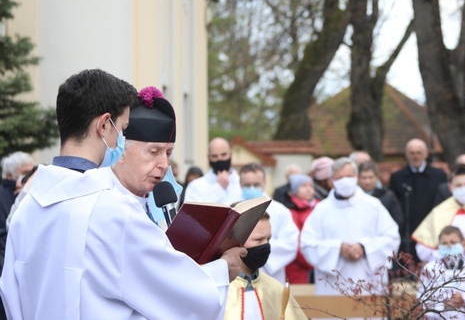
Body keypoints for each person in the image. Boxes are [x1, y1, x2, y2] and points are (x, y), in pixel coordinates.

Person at [1, 74, 247, 319]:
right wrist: (223, 270)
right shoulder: (114, 212)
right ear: (105, 125)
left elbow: (11, 298)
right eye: (125, 129)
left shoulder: (26, 208)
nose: (122, 139)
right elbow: (189, 297)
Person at [300, 158, 400, 296]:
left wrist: (364, 247)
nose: (345, 181)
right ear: (331, 181)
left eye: (349, 176)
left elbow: (392, 238)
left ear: (356, 177)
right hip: (332, 286)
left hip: (368, 282)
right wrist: (338, 248)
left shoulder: (373, 205)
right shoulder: (321, 210)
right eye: (340, 177)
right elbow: (307, 244)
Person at [223, 212, 307, 320]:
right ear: (234, 241)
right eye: (258, 239)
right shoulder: (218, 290)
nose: (266, 245)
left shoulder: (275, 289)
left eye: (268, 239)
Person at [412, 164, 465, 265]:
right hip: (445, 272)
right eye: (459, 185)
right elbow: (422, 251)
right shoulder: (439, 212)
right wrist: (448, 250)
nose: (463, 189)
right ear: (450, 187)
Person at [238, 163, 299, 284]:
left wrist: (258, 249)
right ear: (240, 184)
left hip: (271, 276)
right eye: (247, 185)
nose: (251, 188)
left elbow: (291, 242)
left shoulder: (280, 211)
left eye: (256, 185)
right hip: (237, 275)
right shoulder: (232, 209)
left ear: (264, 183)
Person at [389, 138, 448, 261]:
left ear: (426, 154)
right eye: (412, 153)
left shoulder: (439, 176)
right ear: (406, 154)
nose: (415, 156)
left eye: (419, 153)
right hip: (405, 233)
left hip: (430, 232)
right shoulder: (397, 177)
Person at [418, 226, 465, 319]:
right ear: (438, 245)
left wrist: (463, 300)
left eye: (453, 242)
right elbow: (422, 301)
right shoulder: (430, 269)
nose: (449, 246)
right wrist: (444, 304)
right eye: (444, 243)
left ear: (462, 243)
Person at [280, 174, 317, 284]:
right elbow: (295, 242)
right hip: (299, 269)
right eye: (304, 186)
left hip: (318, 264)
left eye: (311, 186)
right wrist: (313, 262)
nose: (308, 189)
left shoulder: (319, 207)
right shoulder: (291, 211)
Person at [183, 137, 242, 204]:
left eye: (223, 154)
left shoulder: (242, 183)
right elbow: (193, 212)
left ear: (231, 154)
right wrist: (219, 189)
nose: (220, 159)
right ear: (209, 157)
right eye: (215, 156)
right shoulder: (195, 186)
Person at [358, 161, 403, 230]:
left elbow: (397, 219)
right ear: (358, 178)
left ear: (376, 177)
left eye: (370, 177)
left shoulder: (387, 195)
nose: (367, 182)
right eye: (364, 178)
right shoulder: (354, 197)